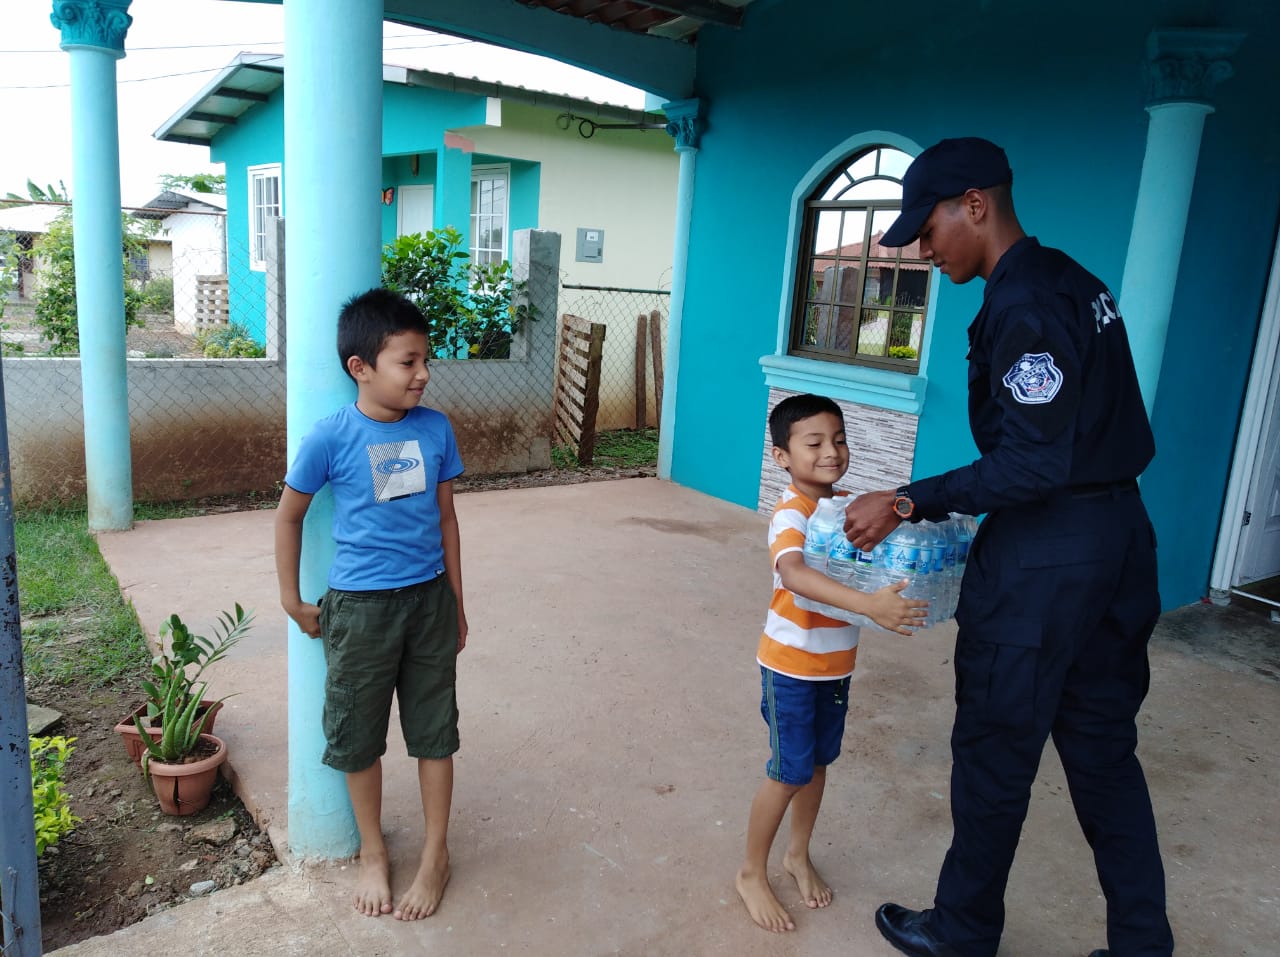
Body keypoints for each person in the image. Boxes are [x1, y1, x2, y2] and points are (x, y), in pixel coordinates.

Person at [842, 138, 1173, 957]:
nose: (925, 250)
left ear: (976, 205)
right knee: (1104, 753)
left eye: (929, 229)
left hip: (1049, 557)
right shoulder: (1074, 280)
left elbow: (1031, 464)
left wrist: (908, 499)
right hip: (1119, 538)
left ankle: (961, 933)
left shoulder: (1024, 303)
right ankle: (1142, 945)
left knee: (995, 751)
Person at [274, 287, 467, 921]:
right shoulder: (330, 436)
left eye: (425, 360)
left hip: (429, 601)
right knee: (358, 736)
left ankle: (436, 853)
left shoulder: (435, 428)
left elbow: (446, 518)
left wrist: (457, 602)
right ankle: (374, 851)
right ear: (360, 367)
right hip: (359, 609)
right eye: (407, 362)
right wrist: (291, 598)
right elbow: (289, 516)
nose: (423, 373)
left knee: (435, 730)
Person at [736, 393, 928, 933]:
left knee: (818, 764)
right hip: (791, 668)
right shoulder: (791, 512)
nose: (831, 452)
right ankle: (750, 872)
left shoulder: (845, 507)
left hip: (835, 666)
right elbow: (794, 573)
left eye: (839, 440)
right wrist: (868, 605)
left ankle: (797, 855)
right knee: (788, 772)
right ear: (782, 456)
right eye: (814, 442)